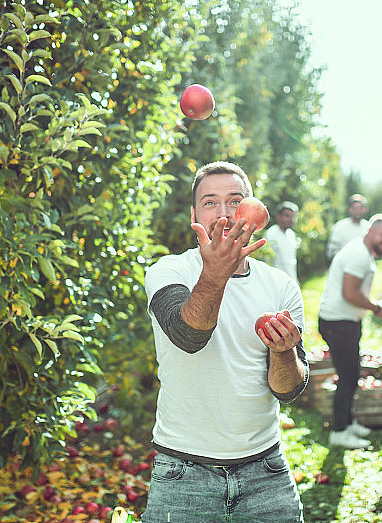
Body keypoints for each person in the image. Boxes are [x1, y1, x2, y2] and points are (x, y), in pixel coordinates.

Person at [143, 161, 309, 522]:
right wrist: (216, 274)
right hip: (182, 472)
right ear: (194, 215)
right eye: (209, 202)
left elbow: (288, 390)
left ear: (254, 211)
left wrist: (283, 353)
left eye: (235, 201)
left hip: (264, 469)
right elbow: (188, 336)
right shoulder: (169, 271)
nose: (224, 213)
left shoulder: (280, 286)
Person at [318, 213, 382, 448]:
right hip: (338, 323)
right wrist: (376, 308)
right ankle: (339, 432)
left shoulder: (362, 251)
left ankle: (348, 423)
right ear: (370, 231)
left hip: (345, 322)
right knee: (348, 378)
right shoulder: (358, 255)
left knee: (350, 376)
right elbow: (349, 293)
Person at [326, 194, 370, 261]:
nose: (357, 210)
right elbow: (331, 252)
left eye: (360, 208)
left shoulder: (369, 227)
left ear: (364, 209)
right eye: (355, 208)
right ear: (350, 209)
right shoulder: (339, 226)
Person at [266, 201, 300, 283]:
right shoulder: (271, 233)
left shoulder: (291, 234)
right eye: (287, 216)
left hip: (291, 280)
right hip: (276, 281)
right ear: (278, 216)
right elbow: (268, 261)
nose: (291, 219)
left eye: (293, 216)